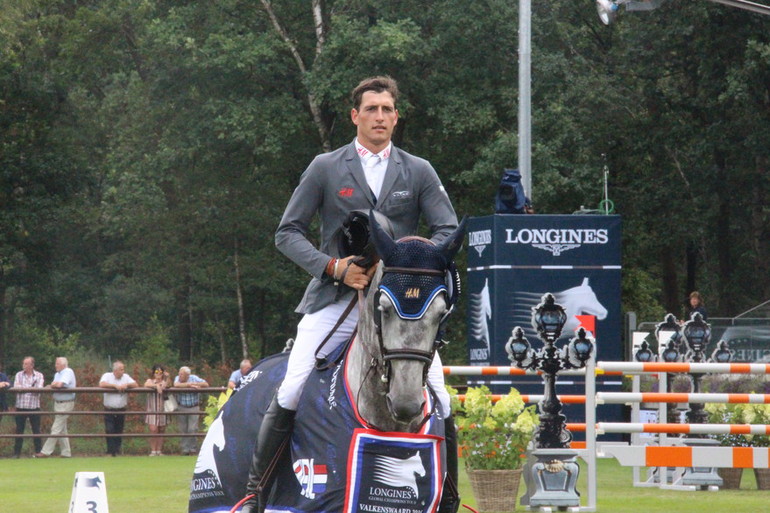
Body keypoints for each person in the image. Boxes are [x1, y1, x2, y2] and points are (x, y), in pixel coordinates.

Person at [240, 76, 459, 513]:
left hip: (399, 305)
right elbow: (287, 232)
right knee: (294, 383)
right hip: (336, 297)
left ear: (396, 117)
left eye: (387, 110)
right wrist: (334, 267)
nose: (380, 117)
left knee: (440, 394)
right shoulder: (325, 166)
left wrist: (405, 259)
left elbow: (448, 230)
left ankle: (449, 497)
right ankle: (254, 492)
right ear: (355, 115)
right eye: (371, 109)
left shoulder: (418, 170)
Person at [37, 357, 76, 458]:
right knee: (62, 429)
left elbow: (59, 384)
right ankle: (66, 452)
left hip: (66, 403)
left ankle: (45, 451)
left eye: (57, 363)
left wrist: (53, 384)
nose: (55, 365)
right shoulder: (57, 374)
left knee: (56, 428)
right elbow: (54, 385)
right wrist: (53, 385)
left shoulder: (68, 371)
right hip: (58, 403)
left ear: (63, 364)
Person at [99, 360, 138, 456]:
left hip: (121, 408)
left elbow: (136, 384)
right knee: (109, 429)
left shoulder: (126, 377)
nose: (123, 371)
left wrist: (127, 385)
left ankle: (117, 451)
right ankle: (110, 451)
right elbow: (102, 384)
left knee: (119, 430)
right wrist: (114, 386)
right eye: (121, 369)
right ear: (115, 371)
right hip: (109, 408)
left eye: (123, 369)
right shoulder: (107, 376)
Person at [13, 356, 45, 458]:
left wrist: (25, 389)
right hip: (21, 406)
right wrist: (31, 388)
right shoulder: (18, 374)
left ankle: (38, 452)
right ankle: (16, 453)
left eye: (27, 364)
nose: (25, 366)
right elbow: (17, 387)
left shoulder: (39, 375)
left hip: (34, 406)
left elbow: (39, 389)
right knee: (19, 430)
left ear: (32, 365)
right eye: (24, 364)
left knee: (36, 430)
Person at [173, 366, 209, 455]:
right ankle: (185, 449)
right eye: (180, 373)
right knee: (183, 429)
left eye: (182, 374)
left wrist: (196, 384)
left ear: (187, 375)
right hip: (182, 407)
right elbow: (176, 385)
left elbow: (206, 384)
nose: (180, 375)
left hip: (194, 407)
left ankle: (193, 449)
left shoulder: (194, 378)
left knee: (192, 429)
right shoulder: (177, 378)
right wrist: (189, 385)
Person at [144, 364, 171, 456]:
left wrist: (167, 378)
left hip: (163, 409)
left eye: (160, 371)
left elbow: (167, 385)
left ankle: (159, 450)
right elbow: (146, 384)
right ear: (153, 372)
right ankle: (153, 450)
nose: (158, 373)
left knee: (161, 429)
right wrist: (156, 386)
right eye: (156, 371)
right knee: (153, 429)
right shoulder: (150, 381)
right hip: (152, 408)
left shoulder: (165, 381)